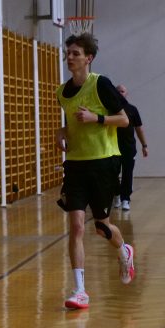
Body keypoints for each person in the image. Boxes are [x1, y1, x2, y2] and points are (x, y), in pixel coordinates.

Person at [55, 33, 135, 310]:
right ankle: (80, 290)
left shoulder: (101, 84)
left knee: (101, 227)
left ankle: (124, 250)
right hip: (75, 164)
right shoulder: (62, 92)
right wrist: (61, 132)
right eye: (68, 53)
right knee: (76, 226)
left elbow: (124, 120)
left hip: (103, 162)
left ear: (88, 58)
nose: (70, 57)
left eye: (75, 53)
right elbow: (72, 125)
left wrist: (96, 118)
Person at [112, 84, 149, 211]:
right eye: (118, 91)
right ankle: (116, 195)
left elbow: (139, 129)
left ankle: (125, 199)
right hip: (112, 148)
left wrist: (144, 145)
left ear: (126, 93)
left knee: (127, 174)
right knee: (112, 173)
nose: (120, 93)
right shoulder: (110, 109)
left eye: (122, 91)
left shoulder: (133, 109)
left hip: (128, 148)